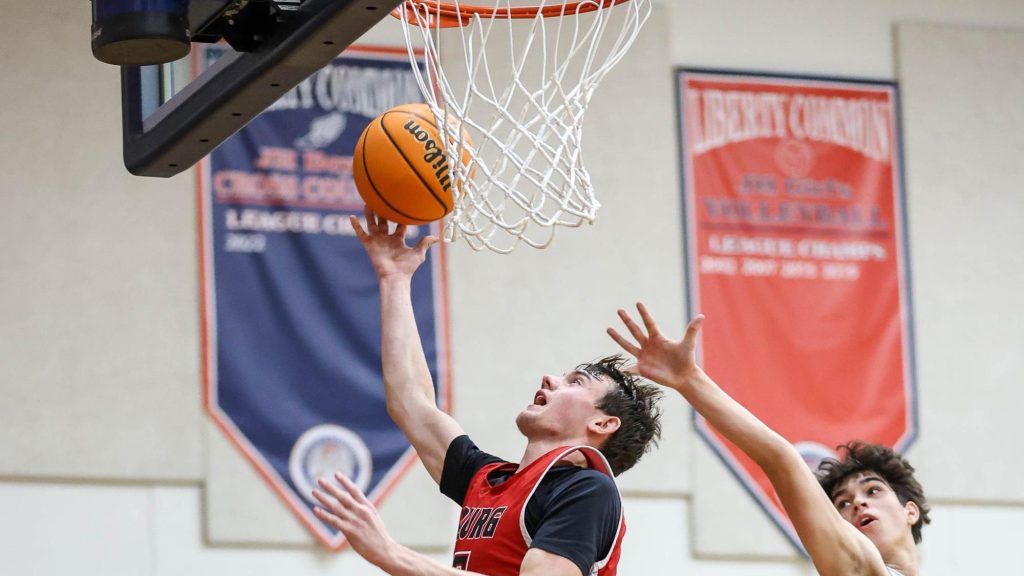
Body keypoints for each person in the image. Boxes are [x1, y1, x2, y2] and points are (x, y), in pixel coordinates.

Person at [312, 210, 663, 576]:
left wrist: (392, 554)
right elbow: (410, 402)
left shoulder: (588, 490)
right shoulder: (490, 481)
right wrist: (394, 278)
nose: (549, 379)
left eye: (575, 382)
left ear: (603, 423)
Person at [607, 302, 930, 576]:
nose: (857, 503)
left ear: (910, 512)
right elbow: (780, 459)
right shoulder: (859, 566)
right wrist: (689, 380)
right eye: (842, 504)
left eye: (873, 490)